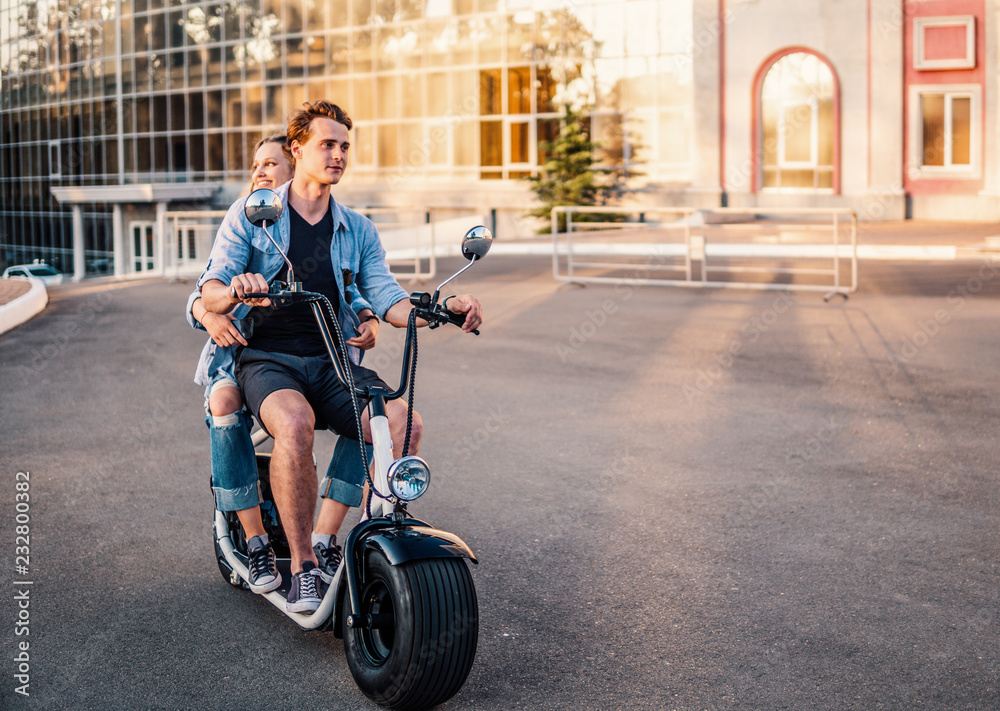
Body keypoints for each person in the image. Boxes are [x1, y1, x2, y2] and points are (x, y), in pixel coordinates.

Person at [196, 100, 483, 613]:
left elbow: (387, 298)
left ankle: (332, 541)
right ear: (298, 148)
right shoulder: (253, 213)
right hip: (269, 358)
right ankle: (302, 564)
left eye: (345, 146)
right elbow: (212, 287)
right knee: (294, 422)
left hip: (333, 360)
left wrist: (443, 307)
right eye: (328, 144)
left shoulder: (358, 228)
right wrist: (236, 288)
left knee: (400, 423)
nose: (338, 155)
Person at [187, 133, 380, 595]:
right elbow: (203, 292)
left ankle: (325, 536)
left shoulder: (335, 222)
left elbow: (348, 284)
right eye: (256, 165)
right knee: (226, 401)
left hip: (321, 355)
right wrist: (211, 312)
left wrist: (371, 314)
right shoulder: (249, 216)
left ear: (292, 170)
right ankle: (254, 538)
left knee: (383, 414)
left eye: (269, 164)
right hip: (243, 350)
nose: (259, 172)